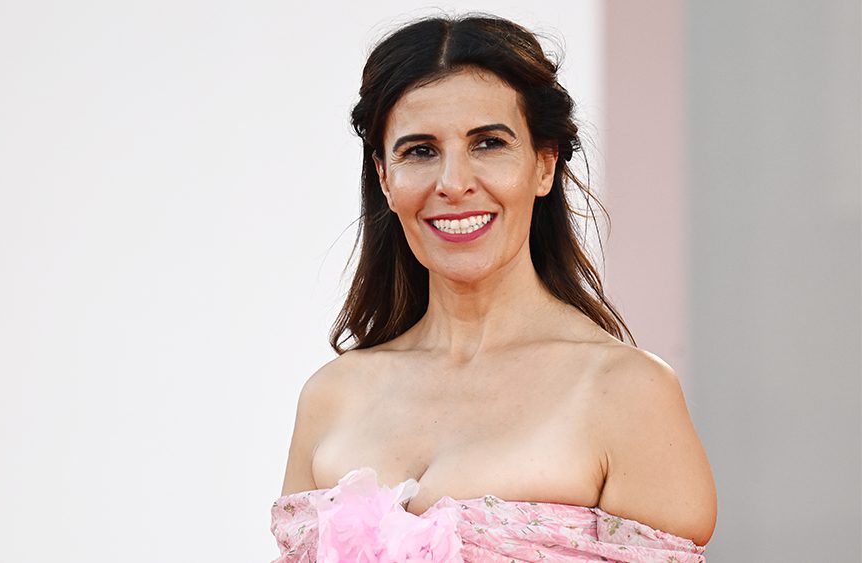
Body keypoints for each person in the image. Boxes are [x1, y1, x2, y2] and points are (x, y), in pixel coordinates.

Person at [271, 13, 716, 562]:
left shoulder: (626, 393)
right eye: (420, 150)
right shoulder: (331, 396)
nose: (453, 183)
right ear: (384, 177)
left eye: (488, 144)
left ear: (544, 165)